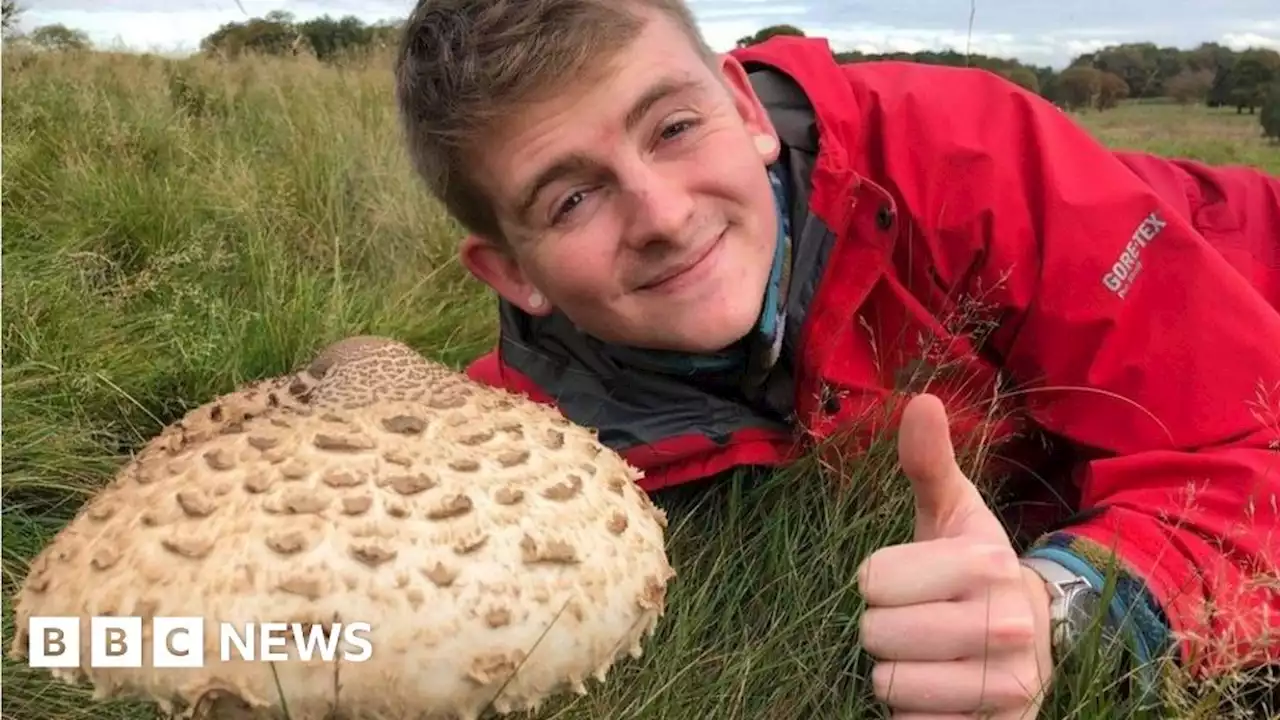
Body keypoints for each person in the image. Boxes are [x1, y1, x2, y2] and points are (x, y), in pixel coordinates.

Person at [393, 0, 1280, 716]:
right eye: (574, 198)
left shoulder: (968, 155)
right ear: (511, 274)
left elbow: (1252, 450)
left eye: (671, 128)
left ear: (745, 111)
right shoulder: (511, 446)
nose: (663, 216)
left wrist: (1068, 609)